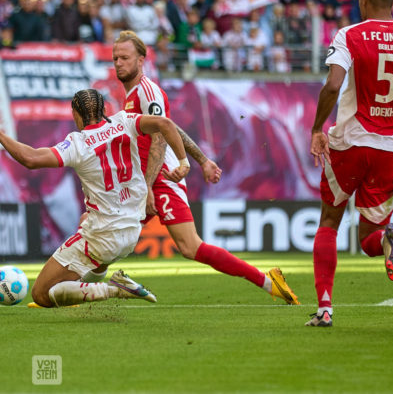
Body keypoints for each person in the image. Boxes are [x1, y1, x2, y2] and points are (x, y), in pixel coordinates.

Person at [112, 30, 300, 305]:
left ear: (141, 59)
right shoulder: (133, 94)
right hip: (146, 180)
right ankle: (78, 289)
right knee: (105, 232)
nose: (118, 63)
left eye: (125, 57)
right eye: (115, 58)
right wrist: (203, 160)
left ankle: (268, 282)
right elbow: (172, 127)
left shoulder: (147, 91)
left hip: (161, 179)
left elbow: (161, 139)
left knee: (189, 246)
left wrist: (149, 187)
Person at [0, 88, 191, 308]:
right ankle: (89, 287)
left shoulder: (78, 143)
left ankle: (115, 289)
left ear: (75, 113)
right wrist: (183, 163)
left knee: (41, 294)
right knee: (85, 220)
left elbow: (30, 158)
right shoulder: (124, 120)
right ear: (104, 110)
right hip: (131, 232)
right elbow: (166, 124)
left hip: (103, 236)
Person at [308, 0, 393, 327]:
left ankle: (325, 309)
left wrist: (316, 129)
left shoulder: (350, 35)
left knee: (329, 222)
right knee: (369, 237)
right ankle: (389, 237)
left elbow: (332, 85)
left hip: (352, 143)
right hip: (390, 150)